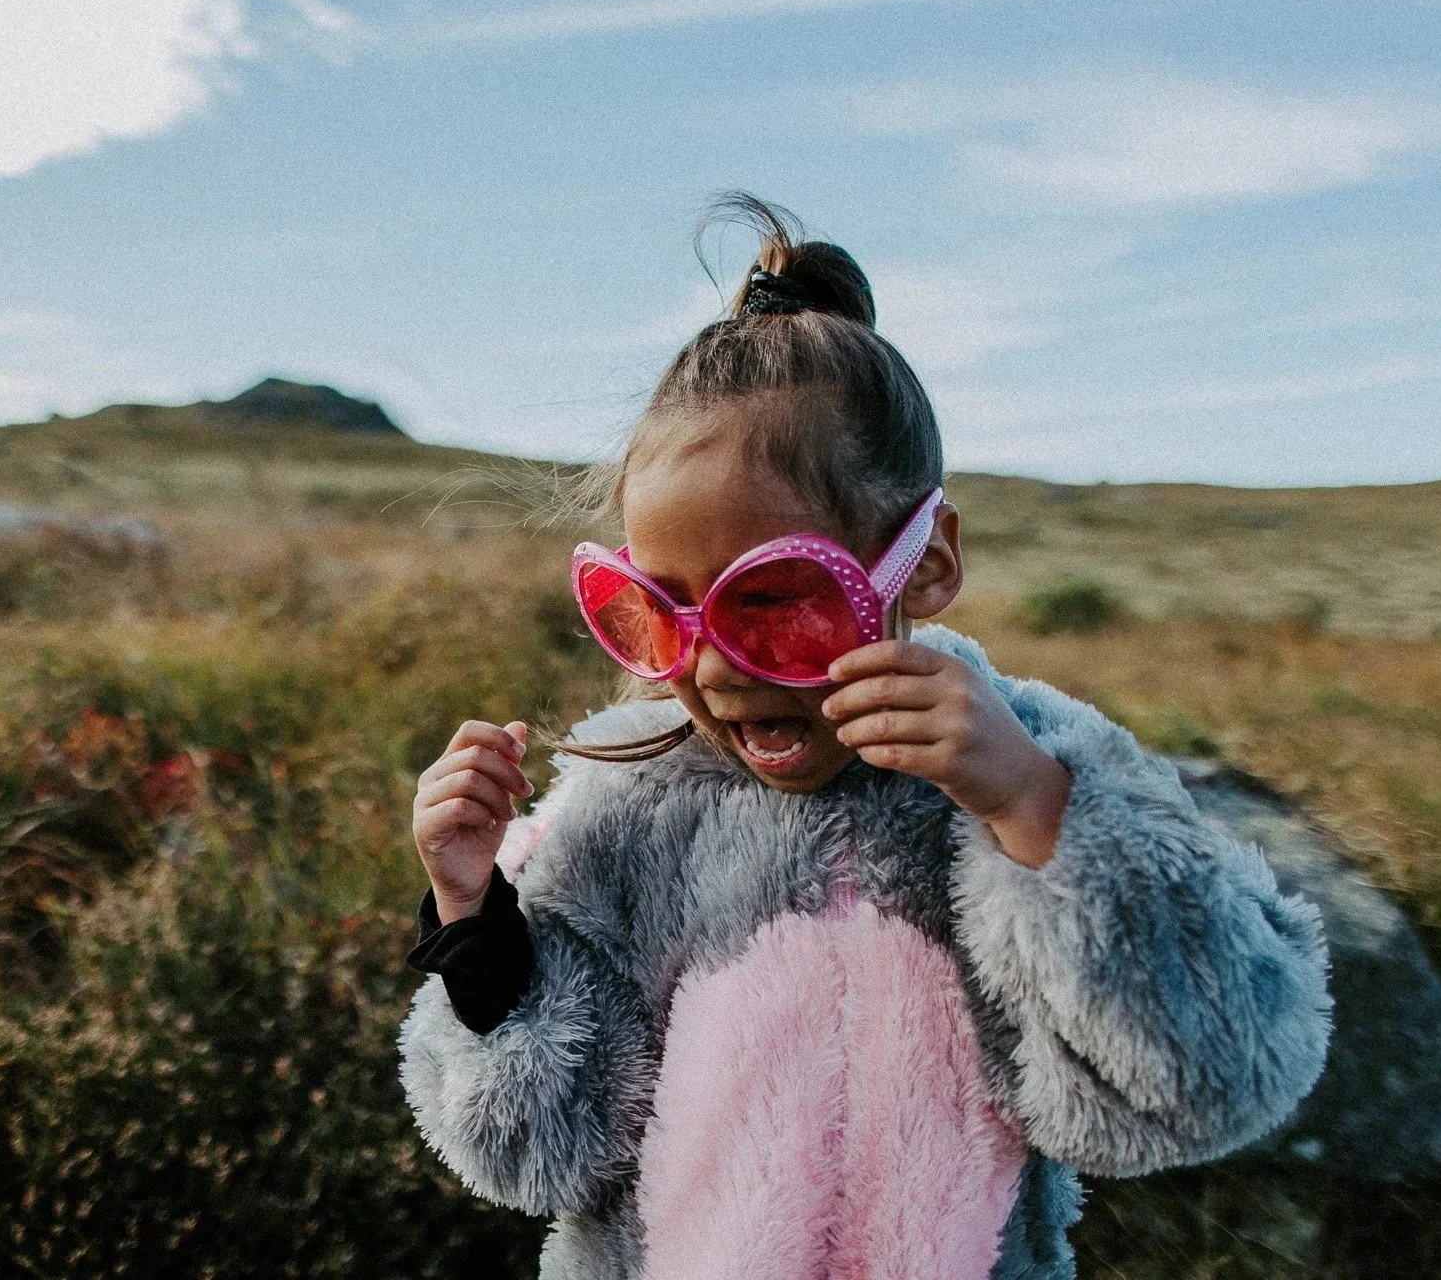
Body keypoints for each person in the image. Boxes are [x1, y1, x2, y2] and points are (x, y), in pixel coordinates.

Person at [398, 195, 1332, 1280]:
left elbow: (1212, 1079)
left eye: (778, 598)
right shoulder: (623, 808)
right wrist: (476, 920)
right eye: (654, 610)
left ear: (923, 564)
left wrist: (1036, 815)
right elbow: (532, 1153)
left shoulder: (1042, 768)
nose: (711, 666)